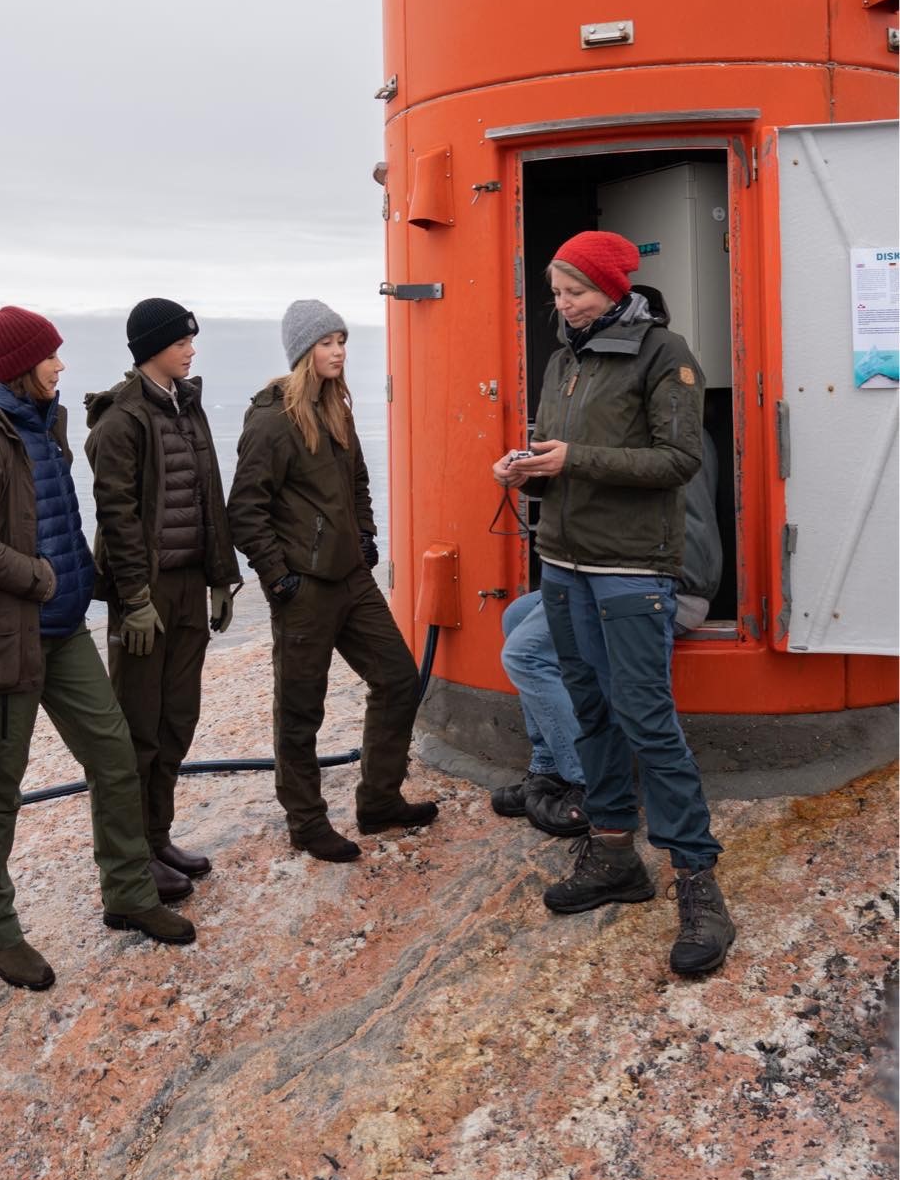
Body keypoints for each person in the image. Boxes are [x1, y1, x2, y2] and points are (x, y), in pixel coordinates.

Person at [493, 231, 735, 978]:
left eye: (576, 292)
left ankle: (697, 882)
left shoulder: (667, 353)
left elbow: (678, 460)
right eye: (558, 293)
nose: (563, 305)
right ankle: (612, 857)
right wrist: (527, 472)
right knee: (591, 710)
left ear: (611, 288)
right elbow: (558, 455)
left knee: (648, 721)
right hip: (563, 565)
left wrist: (574, 459)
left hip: (633, 571)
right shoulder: (565, 358)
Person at [0, 305, 194, 992]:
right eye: (51, 355)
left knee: (112, 755)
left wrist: (85, 578)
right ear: (23, 365)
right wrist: (45, 577)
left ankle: (130, 893)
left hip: (62, 631)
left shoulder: (43, 423)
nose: (61, 364)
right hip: (9, 640)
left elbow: (58, 517)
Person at [228, 298, 439, 862]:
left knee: (398, 680)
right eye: (327, 342)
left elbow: (359, 483)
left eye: (342, 340)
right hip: (304, 589)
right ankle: (306, 822)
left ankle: (378, 800)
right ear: (304, 351)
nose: (339, 350)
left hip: (353, 579)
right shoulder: (272, 422)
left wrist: (367, 538)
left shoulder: (337, 406)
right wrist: (279, 578)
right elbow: (245, 511)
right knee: (301, 712)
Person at [492, 381, 723, 838]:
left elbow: (616, 507)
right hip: (628, 575)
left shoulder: (654, 443)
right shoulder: (662, 431)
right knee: (516, 616)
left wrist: (564, 462)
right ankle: (549, 766)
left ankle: (586, 781)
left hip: (661, 585)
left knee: (524, 654)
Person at [84, 298, 241, 900]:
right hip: (144, 598)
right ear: (153, 347)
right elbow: (116, 516)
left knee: (178, 720)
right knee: (134, 732)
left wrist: (221, 578)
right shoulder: (120, 420)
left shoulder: (187, 406)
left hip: (187, 587)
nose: (192, 350)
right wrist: (133, 599)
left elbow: (209, 500)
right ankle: (129, 856)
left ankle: (157, 836)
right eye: (182, 342)